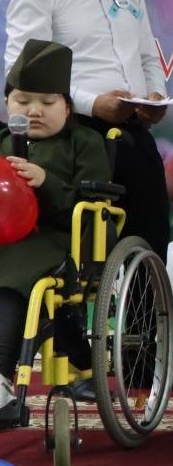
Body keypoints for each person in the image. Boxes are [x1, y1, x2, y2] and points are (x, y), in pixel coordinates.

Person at [4, 0, 170, 260]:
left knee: (149, 242)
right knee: (86, 252)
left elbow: (147, 56)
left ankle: (143, 300)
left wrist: (155, 96)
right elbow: (20, 79)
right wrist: (93, 104)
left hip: (134, 136)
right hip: (73, 139)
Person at [0, 40, 111, 422]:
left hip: (61, 238)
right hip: (6, 237)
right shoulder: (2, 142)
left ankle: (2, 380)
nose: (34, 111)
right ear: (7, 104)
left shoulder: (84, 142)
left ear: (67, 106)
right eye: (22, 101)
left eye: (47, 102)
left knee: (12, 278)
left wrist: (46, 181)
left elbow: (94, 202)